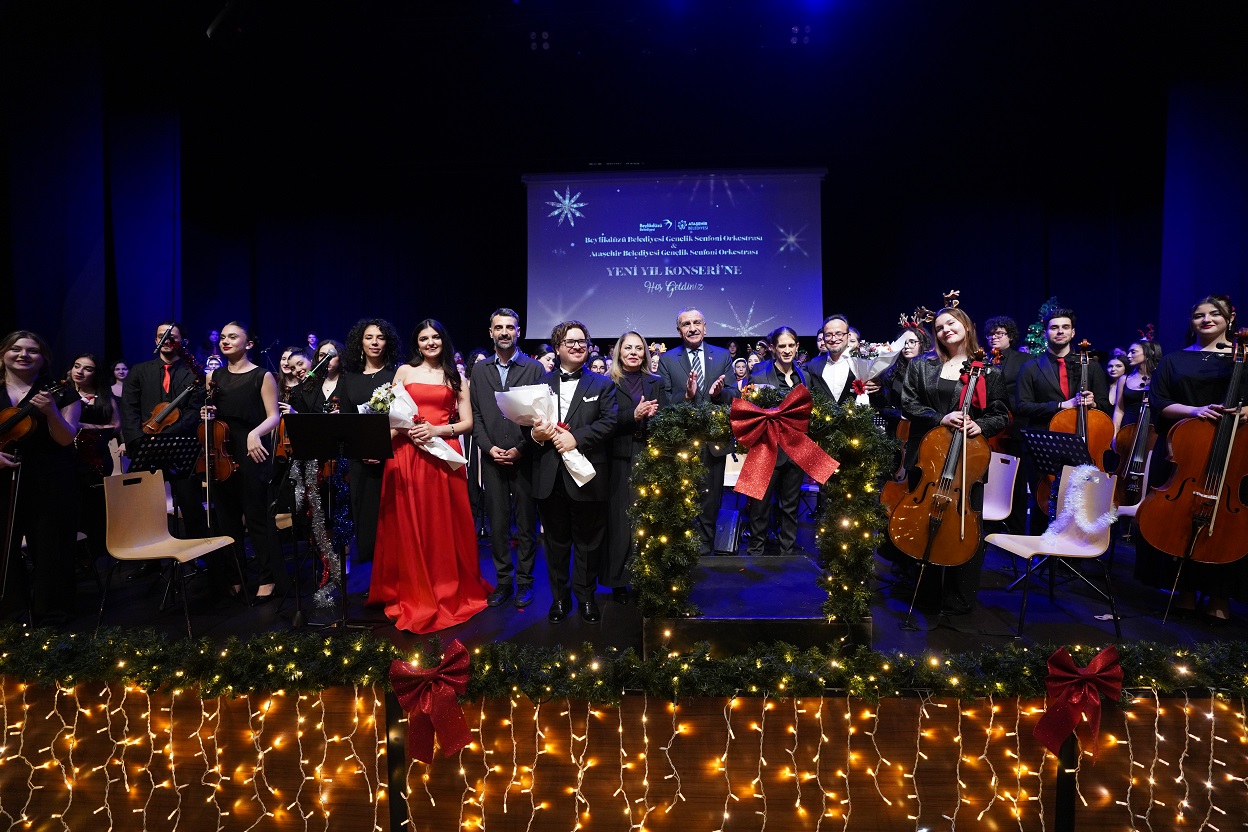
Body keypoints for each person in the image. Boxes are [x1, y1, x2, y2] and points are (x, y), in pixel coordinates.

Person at [370, 319, 492, 632]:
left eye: (435, 337)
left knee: (442, 524)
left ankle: (445, 587)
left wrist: (436, 430)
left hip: (442, 454)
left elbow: (467, 423)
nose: (430, 343)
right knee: (410, 523)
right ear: (417, 343)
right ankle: (413, 589)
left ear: (443, 339)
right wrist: (393, 437)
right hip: (407, 454)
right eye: (424, 338)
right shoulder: (404, 372)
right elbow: (390, 417)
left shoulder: (456, 376)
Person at [1136, 295, 1246, 622]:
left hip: (1233, 453)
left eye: (1215, 314)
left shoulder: (1242, 358)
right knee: (1180, 518)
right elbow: (1160, 402)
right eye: (1199, 315)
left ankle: (1220, 594)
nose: (1206, 319)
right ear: (1191, 321)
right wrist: (1195, 411)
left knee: (1226, 523)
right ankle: (1182, 590)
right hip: (1184, 450)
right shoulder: (1174, 360)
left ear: (1230, 318)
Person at [899, 306, 1009, 613]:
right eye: (939, 327)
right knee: (924, 522)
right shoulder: (922, 365)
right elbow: (908, 403)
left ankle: (960, 598)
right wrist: (940, 417)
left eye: (951, 323)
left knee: (966, 524)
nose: (945, 329)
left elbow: (1001, 414)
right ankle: (925, 593)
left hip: (968, 461)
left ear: (967, 326)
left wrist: (981, 425)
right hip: (927, 457)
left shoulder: (989, 371)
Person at [530, 320, 618, 623]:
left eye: (582, 341)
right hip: (550, 475)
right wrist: (535, 434)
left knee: (589, 541)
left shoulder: (603, 384)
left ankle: (586, 597)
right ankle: (559, 598)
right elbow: (527, 424)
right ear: (558, 348)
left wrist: (576, 438)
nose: (578, 346)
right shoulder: (540, 385)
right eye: (571, 342)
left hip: (587, 475)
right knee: (555, 542)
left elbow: (609, 422)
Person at [0, 331, 81, 625]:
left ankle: (51, 618)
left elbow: (65, 438)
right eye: (15, 349)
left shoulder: (61, 393)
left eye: (32, 351)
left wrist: (50, 412)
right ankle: (12, 615)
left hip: (49, 481)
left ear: (43, 358)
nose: (23, 355)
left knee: (51, 549)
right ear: (3, 354)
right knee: (3, 549)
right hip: (3, 481)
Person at [201, 322, 286, 601]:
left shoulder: (262, 376)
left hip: (252, 450)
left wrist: (254, 433)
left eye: (233, 337)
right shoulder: (213, 376)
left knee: (256, 516)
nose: (225, 341)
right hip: (221, 450)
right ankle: (235, 575)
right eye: (223, 337)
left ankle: (267, 577)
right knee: (227, 518)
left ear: (248, 344)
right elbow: (212, 412)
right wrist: (206, 413)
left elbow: (273, 416)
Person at [469, 308, 544, 609]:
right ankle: (503, 582)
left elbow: (541, 415)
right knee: (497, 524)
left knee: (526, 524)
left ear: (518, 331)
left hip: (524, 456)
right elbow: (476, 415)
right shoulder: (480, 370)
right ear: (490, 332)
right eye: (498, 327)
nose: (504, 332)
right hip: (492, 457)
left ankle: (525, 582)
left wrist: (521, 448)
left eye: (509, 327)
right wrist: (489, 448)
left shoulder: (534, 368)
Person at [1014, 308, 1111, 530]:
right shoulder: (1030, 367)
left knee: (1082, 506)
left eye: (1065, 327)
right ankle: (1039, 546)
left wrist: (1094, 404)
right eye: (1054, 327)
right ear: (1045, 333)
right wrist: (1060, 406)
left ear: (1073, 332)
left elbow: (1106, 405)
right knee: (1043, 507)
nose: (1060, 331)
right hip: (1044, 446)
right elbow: (1022, 406)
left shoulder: (1091, 366)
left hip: (1084, 444)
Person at [657, 307, 738, 557]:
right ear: (678, 330)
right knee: (682, 494)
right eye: (686, 324)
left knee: (711, 496)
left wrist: (719, 394)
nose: (692, 328)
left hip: (714, 439)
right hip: (682, 439)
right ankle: (683, 542)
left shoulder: (722, 356)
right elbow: (664, 400)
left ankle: (705, 544)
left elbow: (735, 395)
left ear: (705, 327)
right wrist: (687, 395)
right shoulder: (668, 359)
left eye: (697, 323)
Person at [119, 321, 211, 539]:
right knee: (147, 508)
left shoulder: (194, 373)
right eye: (161, 336)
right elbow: (129, 410)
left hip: (181, 447)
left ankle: (198, 550)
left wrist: (164, 436)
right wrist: (140, 441)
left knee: (191, 505)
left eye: (172, 337)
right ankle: (150, 553)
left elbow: (193, 412)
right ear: (155, 340)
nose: (166, 340)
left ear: (182, 342)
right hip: (146, 447)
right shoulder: (139, 371)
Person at [604, 331, 663, 604]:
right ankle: (618, 581)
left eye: (639, 348)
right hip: (618, 458)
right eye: (628, 348)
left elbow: (665, 417)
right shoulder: (607, 383)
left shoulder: (655, 382)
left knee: (647, 522)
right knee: (620, 521)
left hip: (648, 455)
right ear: (619, 352)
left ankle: (645, 578)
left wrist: (655, 416)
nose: (633, 353)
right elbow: (604, 421)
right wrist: (633, 415)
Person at [336, 319, 402, 564]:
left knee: (394, 516)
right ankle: (372, 574)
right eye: (369, 337)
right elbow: (346, 420)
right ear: (360, 342)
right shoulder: (349, 378)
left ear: (387, 343)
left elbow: (405, 418)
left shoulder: (397, 375)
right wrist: (363, 449)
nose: (375, 342)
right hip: (360, 457)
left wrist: (381, 447)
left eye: (380, 337)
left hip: (393, 454)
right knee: (365, 516)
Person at [746, 326, 811, 558]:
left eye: (791, 345)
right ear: (773, 348)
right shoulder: (759, 375)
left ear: (797, 346)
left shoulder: (804, 377)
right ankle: (755, 553)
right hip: (767, 448)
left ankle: (787, 554)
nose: (787, 350)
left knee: (790, 507)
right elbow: (749, 411)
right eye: (782, 346)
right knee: (760, 506)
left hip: (795, 450)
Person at [68, 354, 119, 565]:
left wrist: (81, 426)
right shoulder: (63, 394)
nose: (80, 371)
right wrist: (97, 427)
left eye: (87, 369)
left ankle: (97, 553)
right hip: (69, 458)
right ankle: (76, 555)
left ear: (96, 373)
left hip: (98, 458)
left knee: (96, 507)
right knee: (73, 506)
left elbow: (115, 426)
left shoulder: (105, 397)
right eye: (76, 366)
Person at [805, 314, 874, 404]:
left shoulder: (862, 363)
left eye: (839, 334)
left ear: (848, 336)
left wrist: (878, 386)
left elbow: (879, 398)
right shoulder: (814, 365)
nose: (834, 339)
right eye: (828, 335)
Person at [1112, 338, 1162, 434]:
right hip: (1128, 429)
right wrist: (1115, 433)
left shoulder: (1160, 377)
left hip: (1153, 430)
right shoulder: (1124, 379)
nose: (1128, 355)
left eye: (1133, 352)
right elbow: (1119, 410)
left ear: (1148, 353)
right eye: (1129, 352)